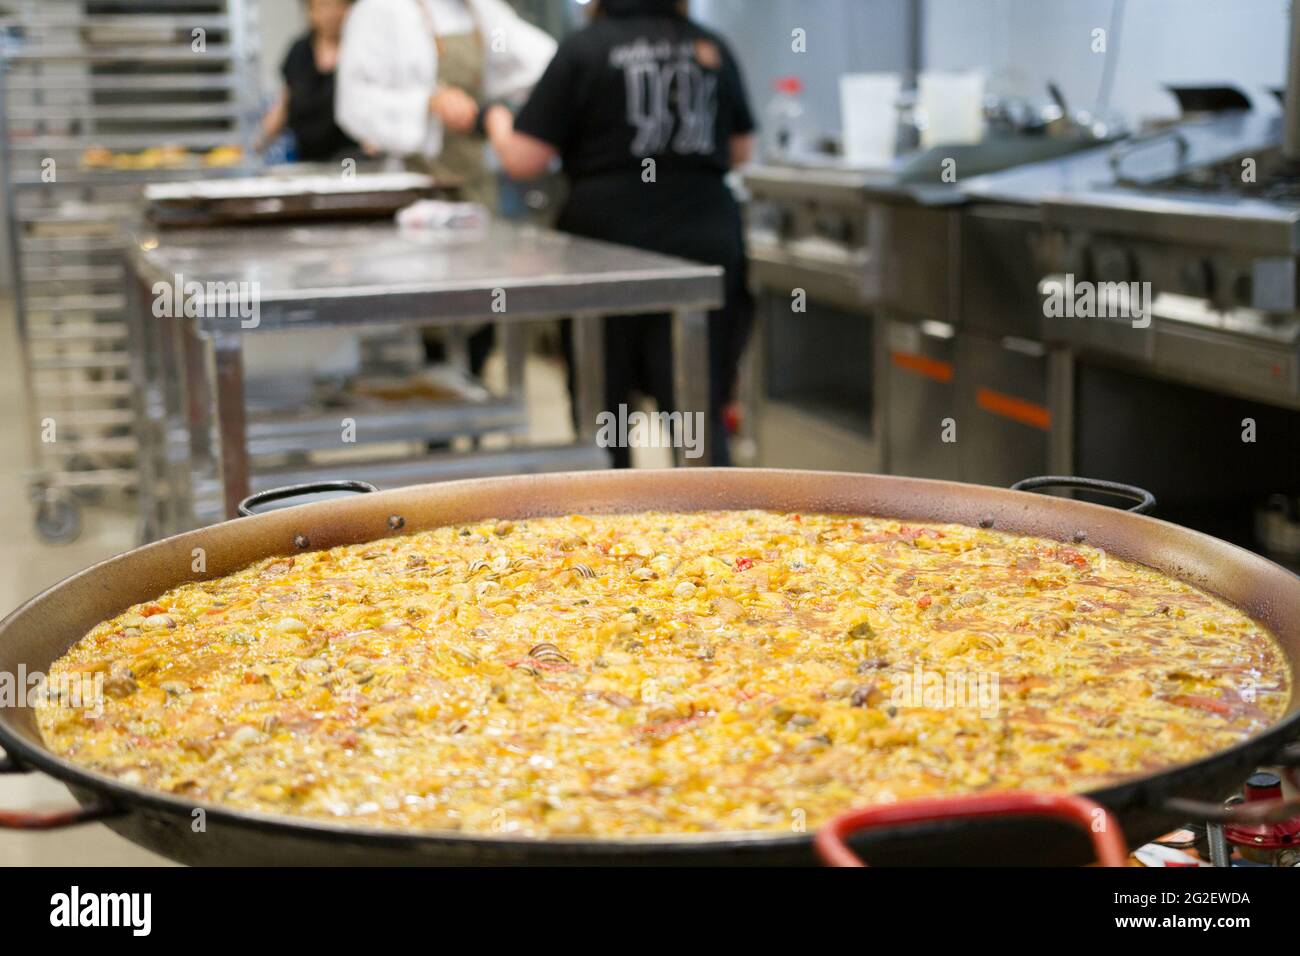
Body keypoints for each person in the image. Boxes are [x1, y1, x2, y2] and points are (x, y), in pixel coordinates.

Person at [482, 0, 756, 467]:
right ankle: (716, 524)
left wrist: (491, 117)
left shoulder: (584, 49)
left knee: (605, 412)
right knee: (695, 412)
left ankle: (608, 526)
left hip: (605, 251)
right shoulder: (708, 46)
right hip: (702, 246)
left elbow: (523, 160)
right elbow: (740, 150)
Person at [335, 0, 557, 379]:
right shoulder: (379, 11)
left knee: (483, 302)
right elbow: (352, 104)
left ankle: (475, 398)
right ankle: (437, 422)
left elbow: (544, 63)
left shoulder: (481, 10)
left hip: (473, 180)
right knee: (431, 312)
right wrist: (426, 102)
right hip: (416, 186)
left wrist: (499, 110)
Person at [259, 0, 359, 162]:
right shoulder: (299, 52)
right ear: (310, 11)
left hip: (355, 161)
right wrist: (254, 144)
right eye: (323, 7)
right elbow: (285, 105)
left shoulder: (361, 50)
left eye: (337, 6)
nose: (331, 14)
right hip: (309, 160)